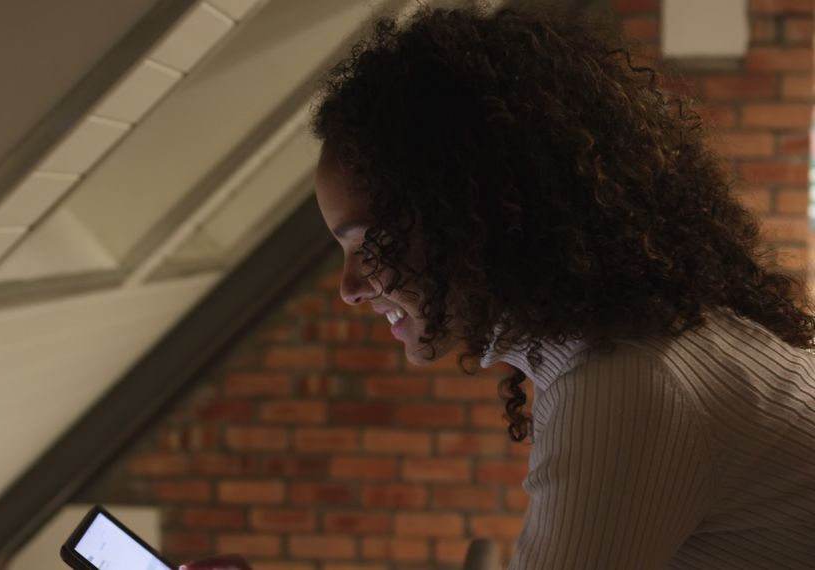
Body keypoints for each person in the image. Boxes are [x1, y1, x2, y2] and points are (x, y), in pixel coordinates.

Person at [182, 3, 815, 569]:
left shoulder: (630, 384)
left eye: (370, 243)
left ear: (471, 217)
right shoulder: (673, 329)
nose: (350, 288)